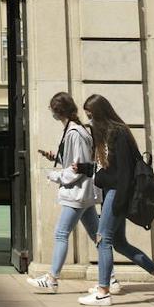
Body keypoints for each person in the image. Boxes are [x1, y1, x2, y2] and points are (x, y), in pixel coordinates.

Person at [77, 94, 154, 306]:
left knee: (102, 239)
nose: (90, 121)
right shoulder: (107, 134)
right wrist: (88, 169)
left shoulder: (118, 134)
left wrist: (116, 202)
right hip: (112, 194)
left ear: (101, 114)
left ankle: (103, 291)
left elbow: (123, 174)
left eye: (92, 116)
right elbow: (109, 170)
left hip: (117, 194)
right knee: (120, 244)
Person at [25, 92, 120, 295]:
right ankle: (111, 278)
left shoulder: (75, 133)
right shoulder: (75, 130)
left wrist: (55, 175)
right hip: (83, 194)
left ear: (58, 111)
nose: (50, 112)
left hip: (77, 193)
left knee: (61, 233)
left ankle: (52, 278)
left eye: (51, 109)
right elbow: (74, 161)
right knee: (98, 237)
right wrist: (57, 157)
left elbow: (78, 167)